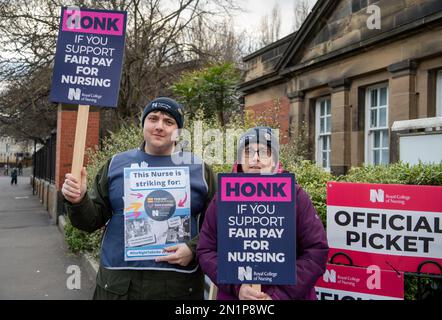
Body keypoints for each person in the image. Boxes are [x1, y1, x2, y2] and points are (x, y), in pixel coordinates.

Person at [62, 97, 216, 300]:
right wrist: (78, 200)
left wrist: (192, 248)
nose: (159, 126)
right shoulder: (116, 164)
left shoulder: (200, 170)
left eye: (169, 122)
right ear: (143, 124)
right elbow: (91, 221)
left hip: (178, 285)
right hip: (118, 284)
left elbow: (217, 227)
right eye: (153, 118)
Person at [197, 126, 329, 300]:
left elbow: (316, 251)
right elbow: (206, 250)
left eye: (265, 152)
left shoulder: (296, 196)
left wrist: (277, 295)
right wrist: (237, 286)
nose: (255, 158)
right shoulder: (222, 198)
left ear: (275, 160)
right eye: (248, 152)